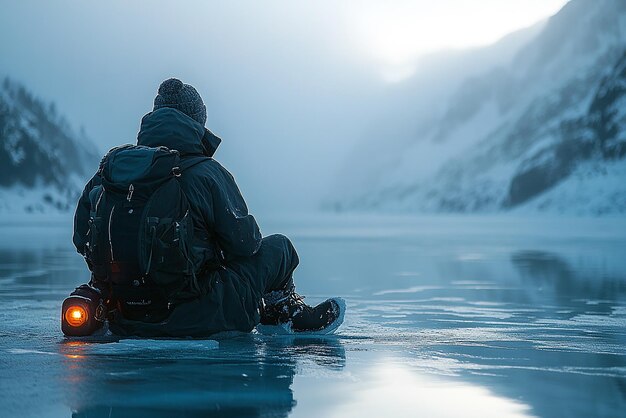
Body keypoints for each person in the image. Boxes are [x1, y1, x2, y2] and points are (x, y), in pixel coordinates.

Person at [69, 78, 343, 337]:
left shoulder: (110, 173)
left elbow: (82, 239)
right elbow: (246, 244)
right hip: (198, 317)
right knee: (279, 249)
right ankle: (282, 315)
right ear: (196, 123)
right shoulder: (206, 173)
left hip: (123, 318)